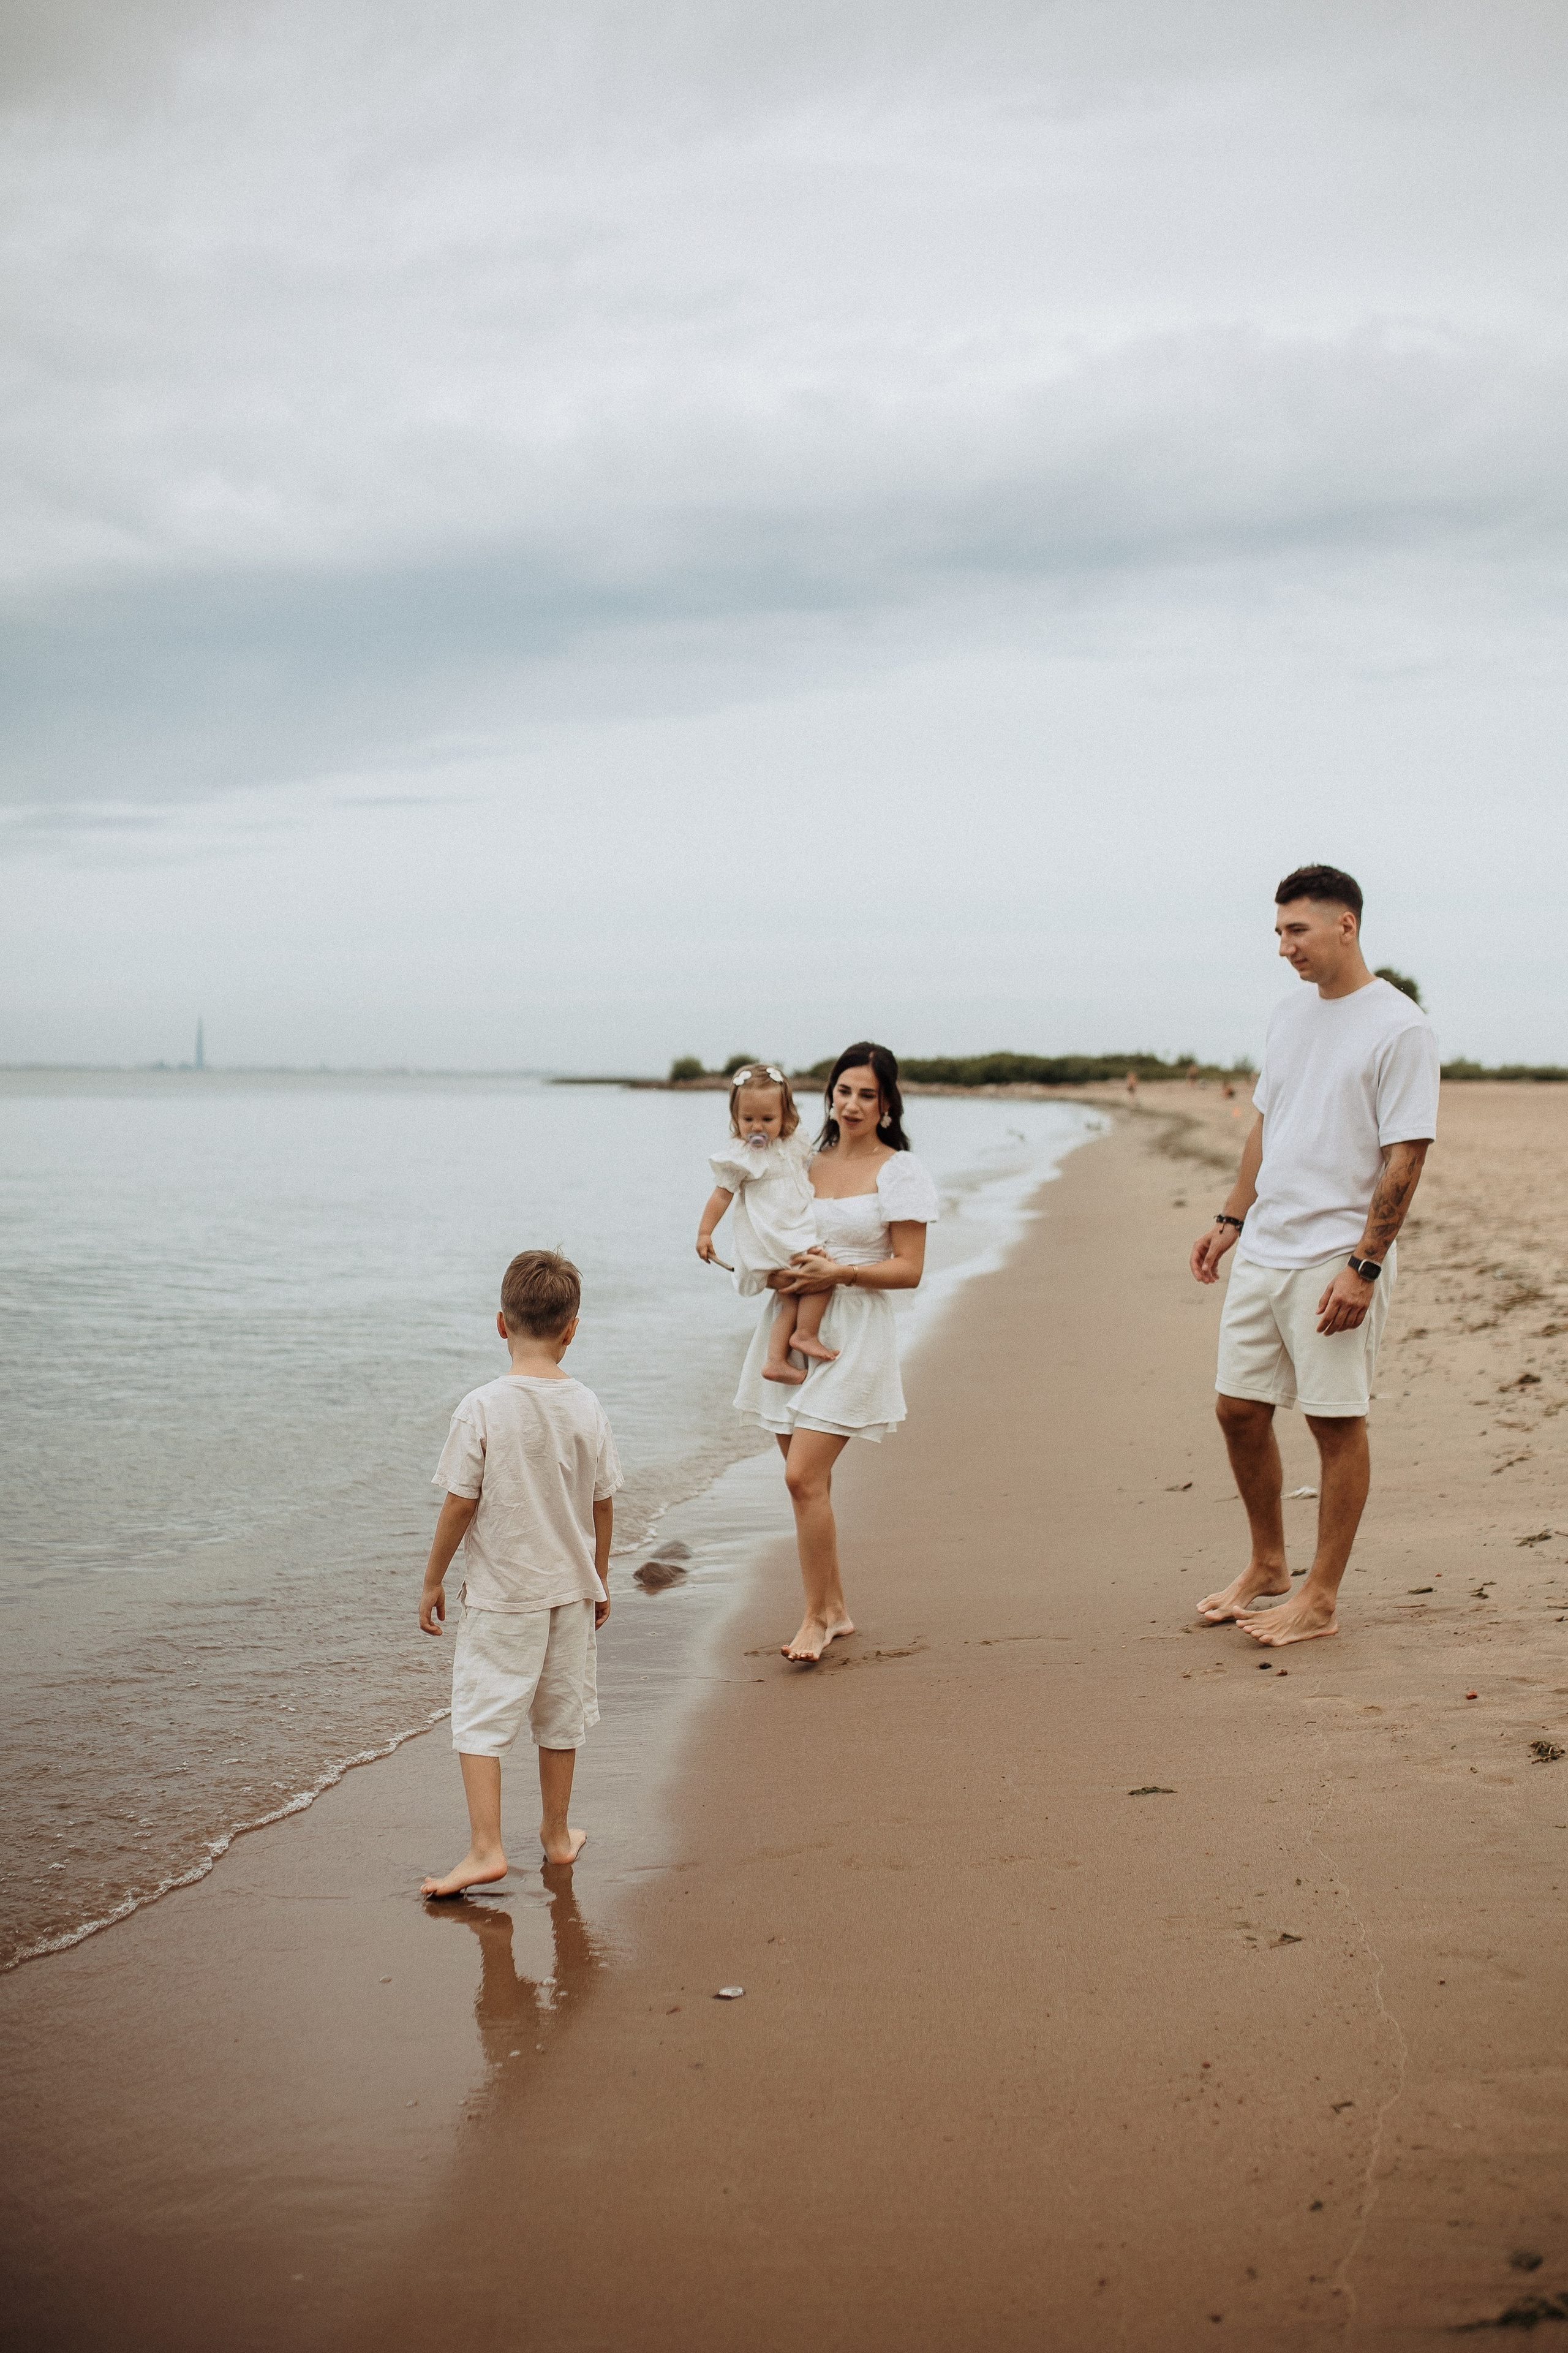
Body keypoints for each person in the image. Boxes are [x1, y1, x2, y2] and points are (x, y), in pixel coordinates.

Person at [1189, 865, 1438, 1647]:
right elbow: (1268, 1123)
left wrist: (1363, 1266)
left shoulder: (1400, 1026)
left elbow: (1406, 1156)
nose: (1283, 946)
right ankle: (1268, 1566)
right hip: (1268, 1244)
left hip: (1336, 1251)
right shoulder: (1289, 1015)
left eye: (1295, 930)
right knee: (1237, 1409)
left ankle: (1319, 1596)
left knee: (1335, 1422)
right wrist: (1233, 1215)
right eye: (1277, 931)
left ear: (1346, 926)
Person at [417, 1249, 620, 1893]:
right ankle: (557, 1838)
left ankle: (486, 1849)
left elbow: (460, 1502)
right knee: (560, 1716)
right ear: (572, 1329)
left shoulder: (481, 1406)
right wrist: (600, 1577)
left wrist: (432, 1579)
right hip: (569, 1590)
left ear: (500, 1324)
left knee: (481, 1715)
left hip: (504, 1595)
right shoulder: (587, 1404)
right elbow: (603, 1501)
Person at [732, 1041, 940, 1663]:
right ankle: (834, 1609)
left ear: (885, 1105)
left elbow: (909, 1270)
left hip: (852, 1334)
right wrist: (770, 1275)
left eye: (866, 1094)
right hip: (790, 1321)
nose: (851, 1104)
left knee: (802, 1475)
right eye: (843, 1090)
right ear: (829, 1095)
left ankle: (815, 1619)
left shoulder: (899, 1170)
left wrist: (841, 1273)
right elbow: (763, 1228)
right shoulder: (802, 1161)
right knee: (806, 1486)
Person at [695, 1064, 837, 1384]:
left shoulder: (794, 1143)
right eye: (748, 1119)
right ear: (736, 1118)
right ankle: (804, 1335)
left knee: (794, 1293)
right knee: (821, 1275)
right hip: (772, 1235)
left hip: (795, 1225)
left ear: (786, 1117)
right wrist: (705, 1233)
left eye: (767, 1119)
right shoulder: (741, 1156)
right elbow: (721, 1197)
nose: (756, 1127)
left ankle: (776, 1359)